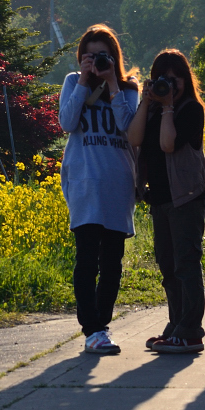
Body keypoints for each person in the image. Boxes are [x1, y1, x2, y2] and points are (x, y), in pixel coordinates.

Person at [58, 24, 140, 355]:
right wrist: (82, 80)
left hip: (117, 183)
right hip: (83, 182)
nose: (94, 61)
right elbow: (66, 122)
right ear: (80, 58)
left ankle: (101, 326)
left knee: (112, 262)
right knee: (86, 259)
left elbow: (128, 128)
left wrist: (111, 84)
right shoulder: (71, 83)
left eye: (101, 56)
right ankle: (91, 328)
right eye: (88, 56)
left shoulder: (128, 89)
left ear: (114, 57)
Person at [126, 49, 205, 354]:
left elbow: (167, 144)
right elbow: (134, 139)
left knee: (186, 263)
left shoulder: (191, 110)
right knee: (167, 264)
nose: (170, 85)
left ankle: (191, 329)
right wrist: (148, 101)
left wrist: (169, 107)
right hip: (160, 198)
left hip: (186, 197)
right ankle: (176, 324)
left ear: (186, 80)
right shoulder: (151, 109)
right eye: (163, 79)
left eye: (176, 79)